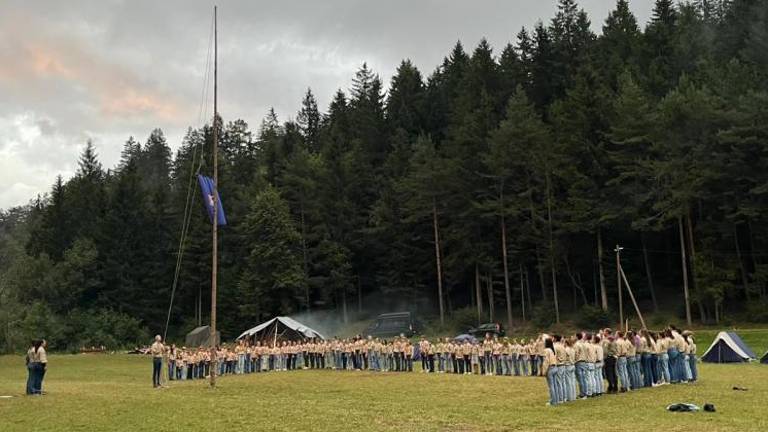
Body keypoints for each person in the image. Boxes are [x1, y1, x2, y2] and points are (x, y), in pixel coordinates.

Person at [542, 337, 559, 406]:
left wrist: (544, 371)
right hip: (555, 367)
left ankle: (553, 401)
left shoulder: (546, 350)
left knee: (551, 386)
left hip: (550, 368)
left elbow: (546, 361)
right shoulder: (552, 350)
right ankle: (555, 400)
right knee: (555, 385)